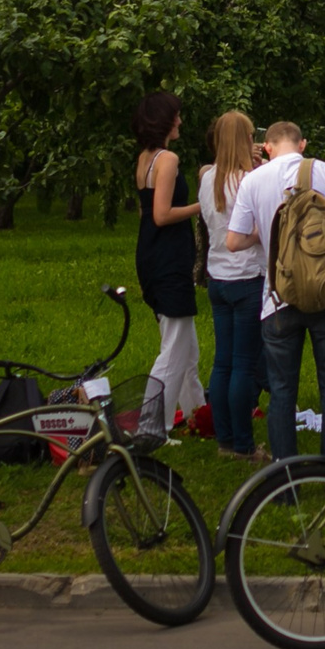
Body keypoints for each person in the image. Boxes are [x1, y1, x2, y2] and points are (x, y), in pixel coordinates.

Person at [225, 120, 325, 462]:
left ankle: (285, 479)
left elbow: (233, 241)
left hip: (278, 298)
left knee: (282, 391)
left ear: (267, 147)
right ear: (302, 144)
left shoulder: (253, 180)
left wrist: (267, 235)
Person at [131, 91, 204, 439]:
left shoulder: (145, 157)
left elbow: (148, 213)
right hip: (168, 256)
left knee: (187, 349)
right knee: (174, 348)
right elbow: (161, 214)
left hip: (150, 253)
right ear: (164, 120)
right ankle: (152, 427)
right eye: (176, 115)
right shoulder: (168, 159)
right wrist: (201, 205)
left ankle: (199, 415)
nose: (180, 121)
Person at [197, 108, 269, 461]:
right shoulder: (248, 181)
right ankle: (243, 443)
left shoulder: (207, 178)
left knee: (222, 361)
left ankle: (224, 438)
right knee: (244, 364)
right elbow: (257, 227)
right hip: (246, 277)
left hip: (218, 277)